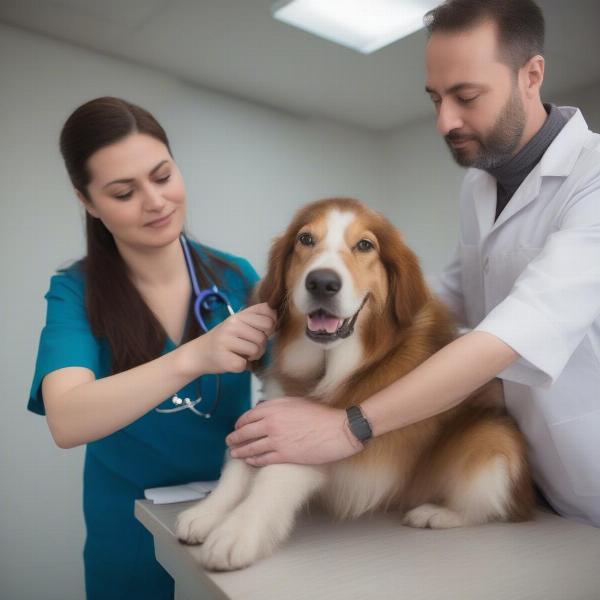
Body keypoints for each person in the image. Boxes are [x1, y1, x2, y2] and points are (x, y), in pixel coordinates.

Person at [226, 0, 600, 528]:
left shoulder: (593, 181)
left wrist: (346, 426)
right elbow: (450, 298)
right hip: (538, 477)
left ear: (531, 75)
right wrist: (332, 303)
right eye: (435, 98)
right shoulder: (481, 182)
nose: (446, 120)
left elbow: (507, 337)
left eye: (466, 96)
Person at [28, 96, 276, 599]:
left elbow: (294, 382)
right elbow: (67, 419)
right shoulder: (74, 292)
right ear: (89, 202)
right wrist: (193, 356)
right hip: (128, 528)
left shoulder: (235, 277)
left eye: (162, 177)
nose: (156, 202)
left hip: (227, 509)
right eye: (124, 192)